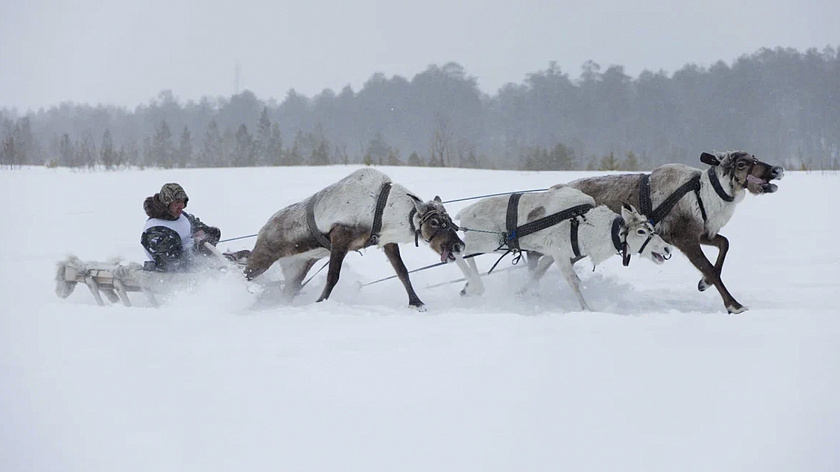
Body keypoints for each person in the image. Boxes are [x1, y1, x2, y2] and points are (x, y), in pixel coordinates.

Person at [141, 183, 222, 272]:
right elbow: (172, 263)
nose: (181, 206)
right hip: (171, 276)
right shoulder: (156, 230)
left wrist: (203, 232)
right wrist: (196, 247)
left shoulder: (180, 215)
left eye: (183, 202)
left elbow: (200, 227)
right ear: (166, 203)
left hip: (193, 263)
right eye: (177, 202)